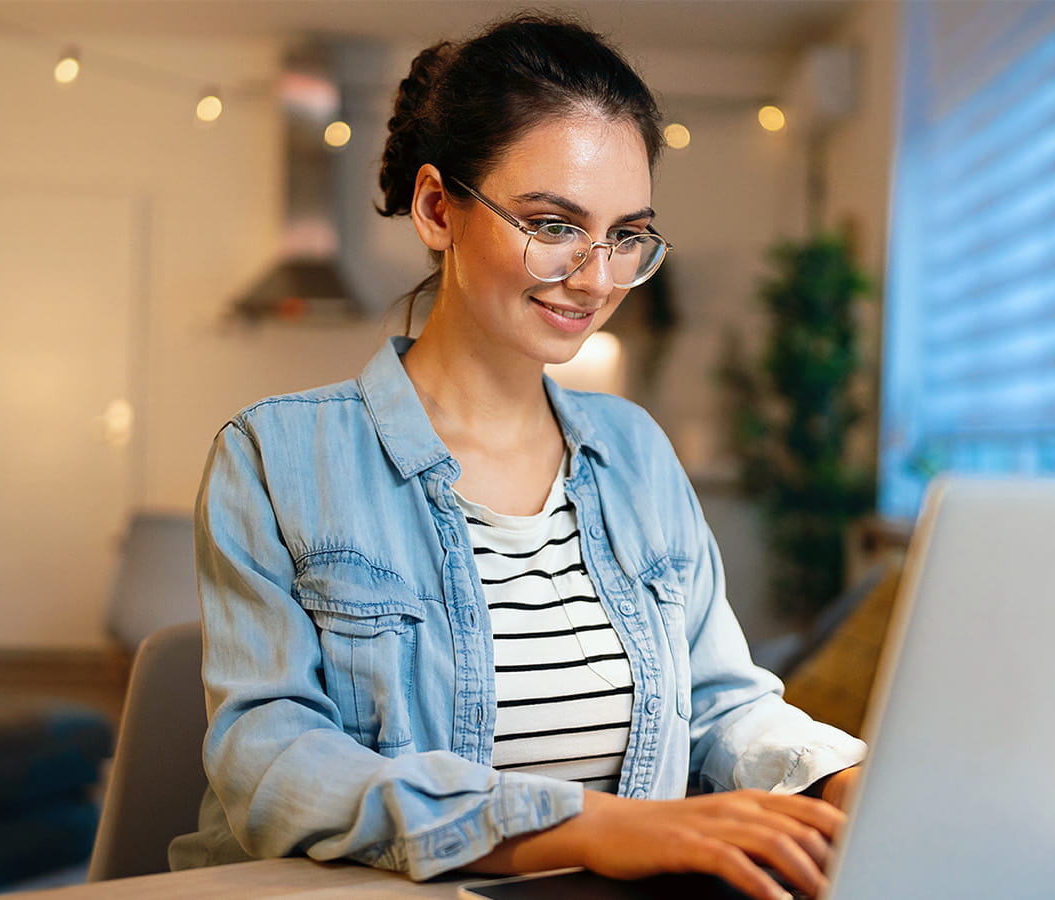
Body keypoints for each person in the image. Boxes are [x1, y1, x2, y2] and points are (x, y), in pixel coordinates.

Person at [169, 14, 865, 900]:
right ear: (436, 208)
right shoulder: (273, 456)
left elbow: (723, 704)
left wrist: (844, 780)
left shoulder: (635, 452)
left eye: (626, 234)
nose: (598, 276)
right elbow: (274, 767)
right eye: (553, 224)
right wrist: (593, 826)